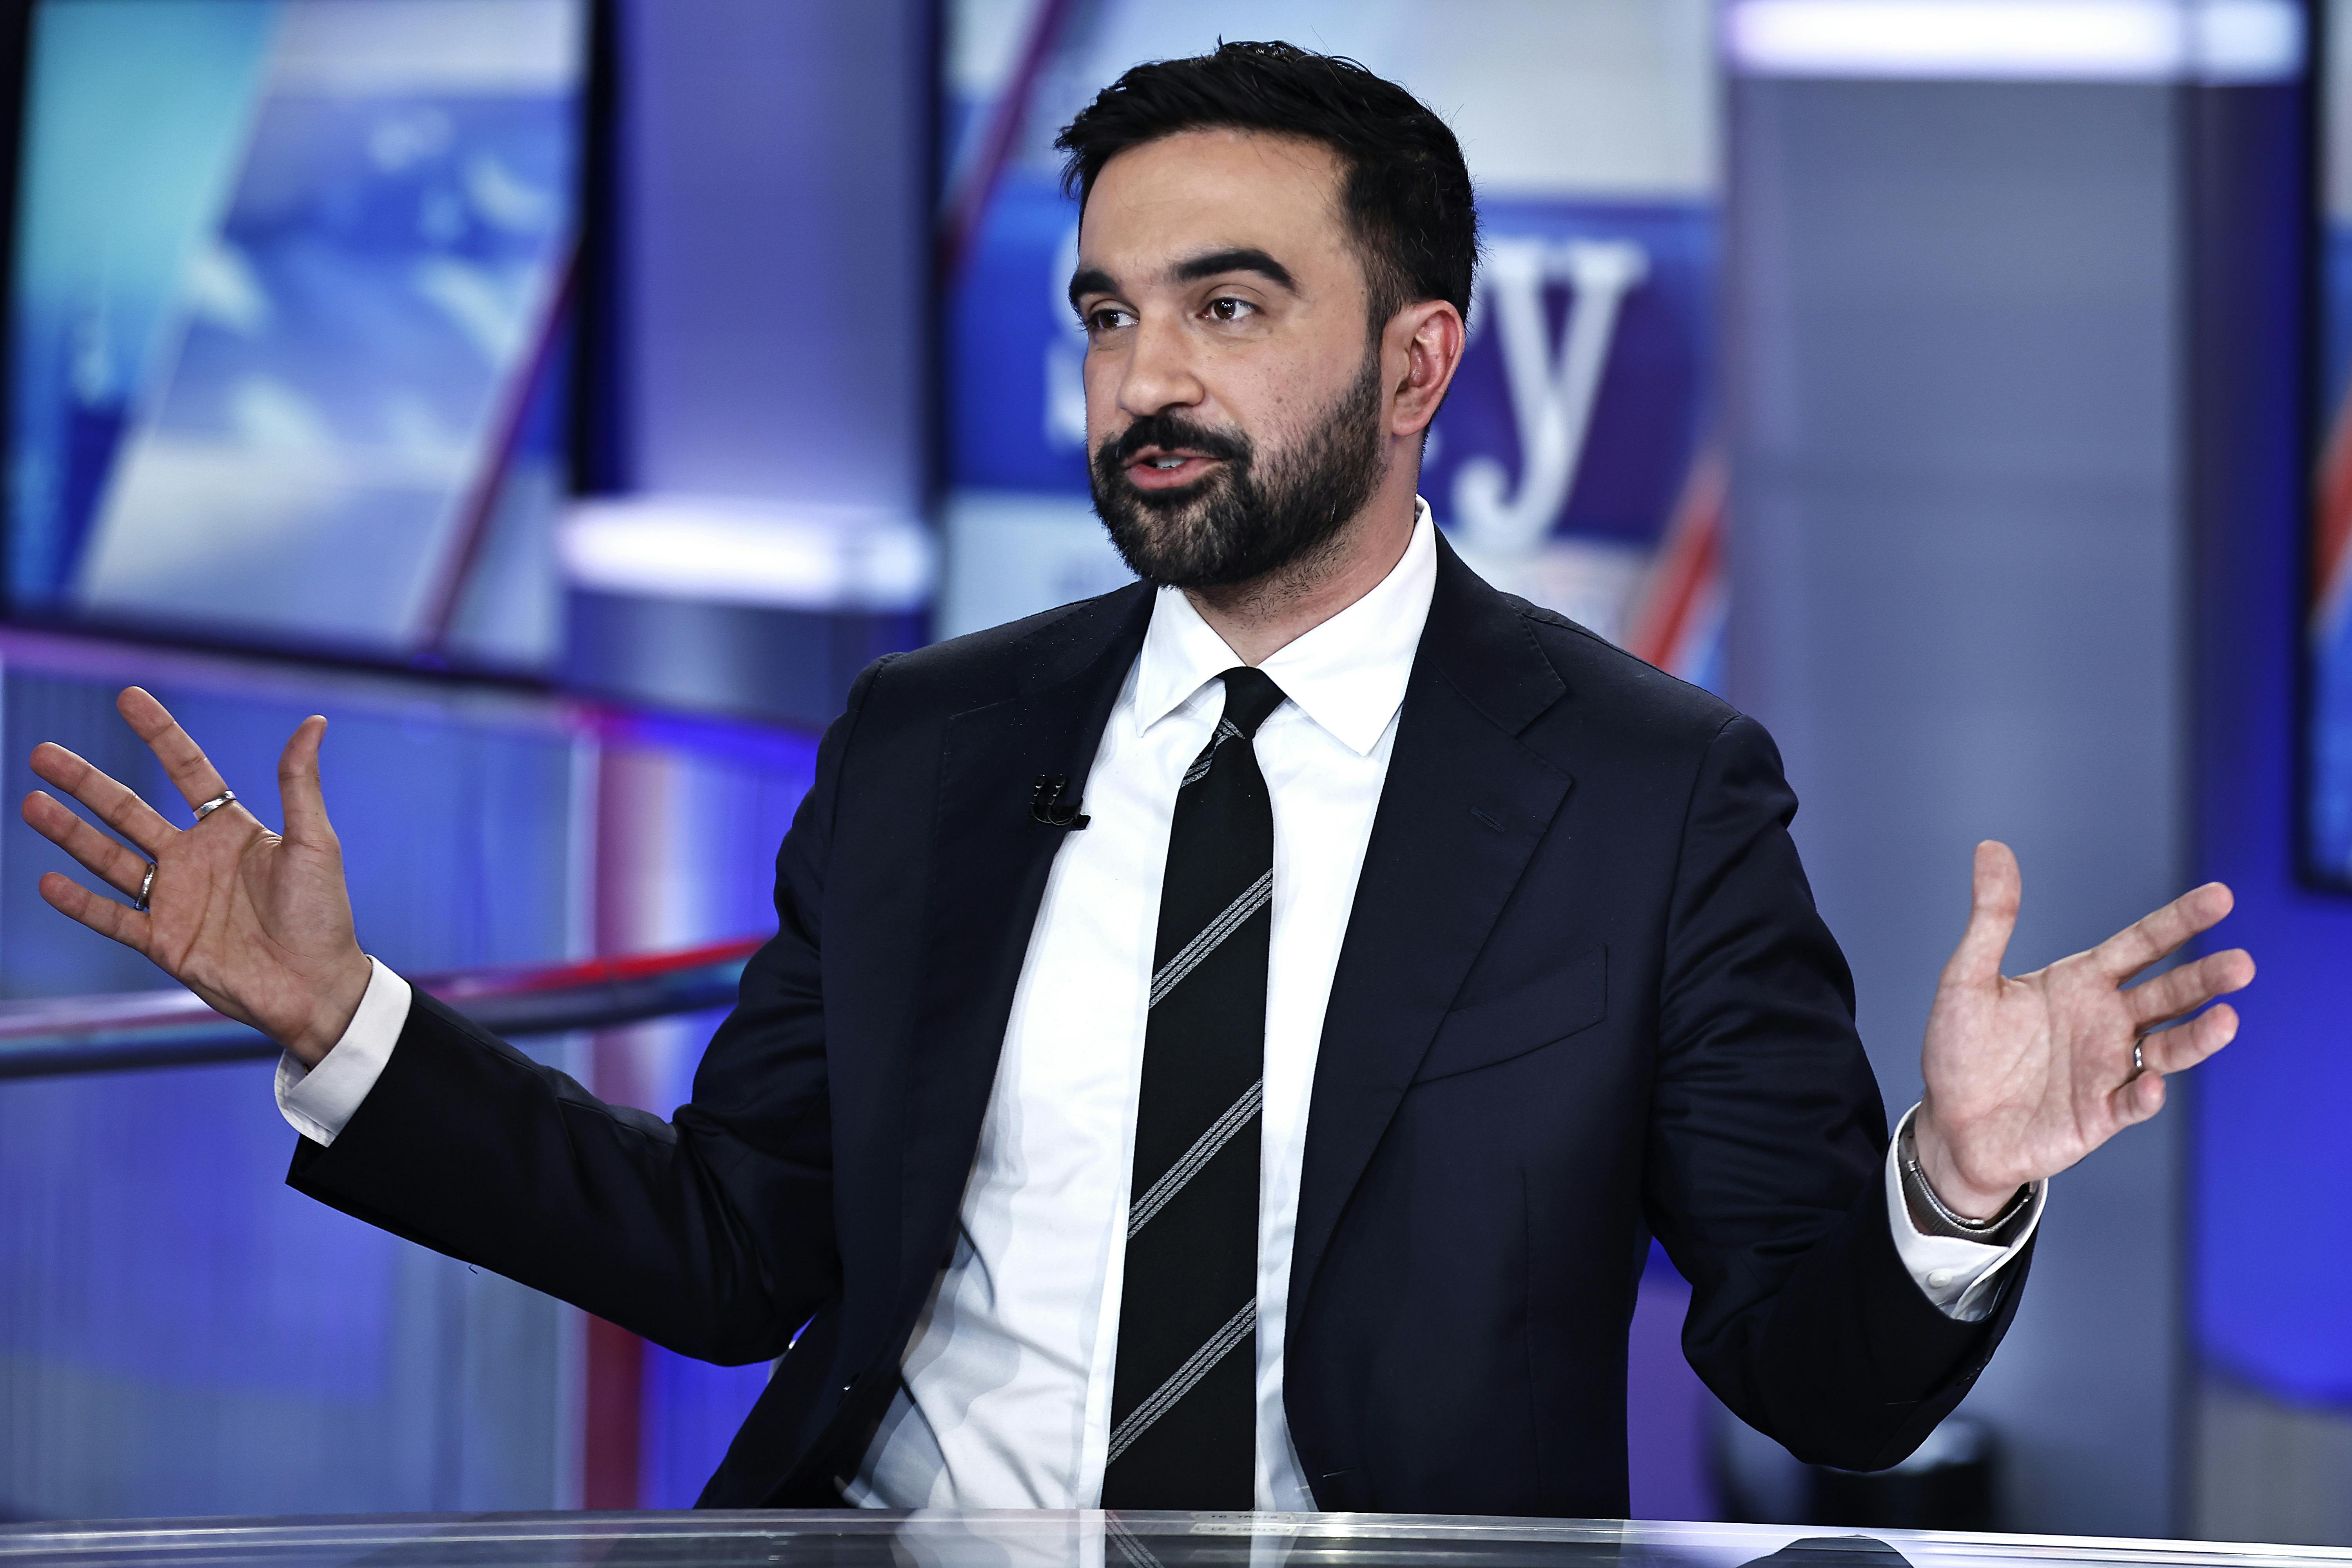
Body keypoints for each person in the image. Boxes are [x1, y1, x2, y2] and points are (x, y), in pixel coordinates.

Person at [20, 42, 2252, 1520]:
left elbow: (1822, 1381)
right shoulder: (929, 743)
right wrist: (346, 1027)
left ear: (1418, 365)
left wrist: (1954, 1186)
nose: (1145, 379)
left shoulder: (1653, 794)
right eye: (1106, 315)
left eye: (1226, 307)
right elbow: (730, 1250)